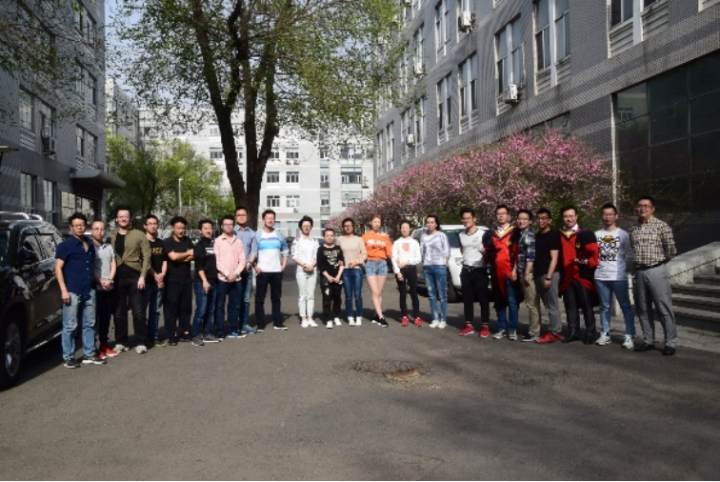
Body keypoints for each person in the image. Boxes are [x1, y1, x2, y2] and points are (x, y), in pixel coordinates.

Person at [55, 213, 105, 368]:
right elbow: (58, 269)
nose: (80, 228)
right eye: (76, 225)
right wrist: (63, 290)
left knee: (89, 324)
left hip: (89, 289)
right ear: (71, 228)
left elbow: (91, 268)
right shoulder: (65, 246)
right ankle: (69, 357)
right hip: (72, 290)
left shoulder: (89, 244)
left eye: (82, 225)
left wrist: (100, 281)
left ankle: (89, 353)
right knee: (70, 326)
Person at [630, 195, 678, 356]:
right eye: (639, 205)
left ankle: (670, 342)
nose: (642, 208)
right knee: (642, 308)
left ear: (653, 208)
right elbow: (632, 248)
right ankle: (648, 340)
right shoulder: (633, 228)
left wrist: (659, 263)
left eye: (646, 206)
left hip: (656, 270)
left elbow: (670, 250)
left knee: (663, 308)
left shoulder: (661, 226)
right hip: (639, 271)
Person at [109, 205, 151, 354]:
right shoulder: (111, 235)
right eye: (120, 216)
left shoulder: (139, 235)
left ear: (130, 218)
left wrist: (142, 277)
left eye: (126, 216)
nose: (123, 218)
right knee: (119, 312)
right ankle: (121, 341)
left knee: (138, 311)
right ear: (116, 219)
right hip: (117, 278)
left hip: (135, 277)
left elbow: (147, 257)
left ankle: (141, 341)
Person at [595, 203, 636, 349]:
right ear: (602, 216)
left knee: (625, 306)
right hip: (600, 276)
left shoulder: (623, 234)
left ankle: (629, 335)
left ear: (616, 216)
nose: (608, 217)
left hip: (619, 276)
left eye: (610, 214)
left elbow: (629, 255)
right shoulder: (597, 235)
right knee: (604, 306)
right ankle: (605, 333)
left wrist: (625, 270)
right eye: (605, 214)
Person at [558, 206, 599, 345]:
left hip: (582, 275)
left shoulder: (586, 233)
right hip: (566, 276)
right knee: (570, 306)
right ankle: (573, 332)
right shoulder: (559, 235)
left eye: (571, 216)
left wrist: (584, 262)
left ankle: (590, 333)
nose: (569, 219)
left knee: (587, 306)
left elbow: (594, 254)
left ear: (576, 216)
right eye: (566, 216)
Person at [484, 205, 522, 341]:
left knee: (512, 301)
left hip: (510, 271)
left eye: (503, 213)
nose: (501, 216)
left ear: (508, 215)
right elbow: (488, 252)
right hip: (496, 271)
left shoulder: (515, 232)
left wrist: (515, 269)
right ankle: (501, 328)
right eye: (498, 214)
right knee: (499, 301)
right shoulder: (490, 233)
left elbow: (518, 253)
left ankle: (512, 329)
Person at [254, 209, 289, 331]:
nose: (270, 220)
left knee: (276, 298)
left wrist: (283, 265)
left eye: (272, 218)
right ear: (263, 219)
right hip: (262, 271)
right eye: (268, 218)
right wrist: (255, 266)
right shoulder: (257, 235)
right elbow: (252, 252)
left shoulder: (279, 235)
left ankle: (277, 322)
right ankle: (260, 323)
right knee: (260, 298)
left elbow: (285, 250)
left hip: (276, 271)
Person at [457, 208, 490, 337]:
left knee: (483, 298)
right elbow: (462, 250)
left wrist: (485, 253)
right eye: (464, 219)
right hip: (466, 269)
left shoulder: (483, 233)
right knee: (467, 299)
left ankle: (485, 325)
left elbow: (489, 252)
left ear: (474, 219)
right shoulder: (461, 235)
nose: (466, 221)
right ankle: (469, 324)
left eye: (468, 218)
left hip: (479, 269)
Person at [533, 208, 564, 344]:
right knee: (548, 304)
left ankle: (554, 332)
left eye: (544, 218)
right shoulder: (537, 236)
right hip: (539, 273)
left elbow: (554, 258)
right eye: (539, 218)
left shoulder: (553, 235)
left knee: (552, 304)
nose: (541, 221)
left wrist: (548, 277)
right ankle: (556, 329)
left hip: (549, 274)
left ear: (549, 220)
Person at [163, 216, 194, 345]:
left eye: (182, 228)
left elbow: (193, 255)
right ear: (173, 228)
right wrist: (186, 254)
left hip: (186, 279)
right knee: (171, 308)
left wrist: (180, 257)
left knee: (186, 307)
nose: (181, 231)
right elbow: (173, 257)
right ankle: (172, 333)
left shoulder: (188, 240)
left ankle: (184, 331)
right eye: (178, 228)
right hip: (172, 280)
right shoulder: (168, 242)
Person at [215, 215, 246, 339]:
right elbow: (217, 261)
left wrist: (236, 273)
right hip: (222, 278)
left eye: (230, 224)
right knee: (220, 306)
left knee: (235, 305)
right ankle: (220, 330)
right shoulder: (218, 241)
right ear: (222, 226)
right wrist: (228, 274)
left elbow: (242, 260)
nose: (228, 226)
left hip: (236, 279)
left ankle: (233, 329)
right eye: (226, 224)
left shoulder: (238, 241)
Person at [191, 219, 219, 346]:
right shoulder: (199, 246)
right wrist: (204, 281)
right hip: (202, 282)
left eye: (210, 228)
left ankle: (207, 333)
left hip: (214, 281)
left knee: (210, 309)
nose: (208, 230)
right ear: (200, 230)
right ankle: (195, 335)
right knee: (201, 310)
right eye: (205, 228)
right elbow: (199, 265)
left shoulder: (213, 244)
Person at [92, 220, 117, 358]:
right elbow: (90, 267)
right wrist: (101, 281)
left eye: (102, 229)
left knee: (106, 318)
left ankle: (104, 344)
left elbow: (113, 264)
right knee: (93, 320)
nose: (99, 232)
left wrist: (110, 280)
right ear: (92, 230)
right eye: (96, 229)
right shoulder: (89, 247)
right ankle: (92, 348)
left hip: (108, 287)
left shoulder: (109, 247)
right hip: (96, 288)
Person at [516, 209, 542, 342]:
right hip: (522, 272)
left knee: (532, 304)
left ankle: (534, 332)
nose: (521, 221)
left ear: (530, 221)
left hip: (528, 274)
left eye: (524, 219)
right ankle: (533, 329)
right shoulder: (521, 234)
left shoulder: (529, 235)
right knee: (530, 303)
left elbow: (531, 255)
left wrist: (527, 273)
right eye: (519, 218)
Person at [362, 214, 393, 327]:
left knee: (379, 292)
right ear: (371, 223)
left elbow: (390, 252)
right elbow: (361, 251)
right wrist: (361, 261)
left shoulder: (384, 237)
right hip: (370, 263)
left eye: (378, 222)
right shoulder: (365, 236)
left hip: (382, 264)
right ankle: (381, 317)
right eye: (374, 221)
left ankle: (376, 315)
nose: (377, 224)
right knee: (375, 292)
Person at [421, 215, 450, 329]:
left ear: (436, 224)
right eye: (428, 222)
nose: (430, 224)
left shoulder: (441, 235)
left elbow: (447, 251)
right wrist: (424, 262)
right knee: (431, 294)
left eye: (432, 222)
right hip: (427, 267)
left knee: (442, 294)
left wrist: (444, 264)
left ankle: (443, 319)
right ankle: (435, 318)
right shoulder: (423, 236)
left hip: (439, 266)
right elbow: (422, 250)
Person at [391, 220, 422, 327]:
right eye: (402, 227)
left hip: (411, 268)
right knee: (403, 294)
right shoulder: (397, 243)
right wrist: (397, 272)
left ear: (410, 229)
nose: (404, 229)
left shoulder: (414, 242)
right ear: (400, 229)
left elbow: (418, 258)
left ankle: (417, 316)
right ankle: (404, 316)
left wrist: (407, 262)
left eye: (406, 227)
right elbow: (394, 258)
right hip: (400, 270)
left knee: (414, 293)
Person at [337, 217, 367, 326]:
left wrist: (356, 262)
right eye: (345, 226)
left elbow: (364, 254)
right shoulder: (340, 239)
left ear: (353, 227)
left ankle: (358, 316)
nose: (347, 227)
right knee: (348, 295)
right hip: (345, 271)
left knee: (358, 295)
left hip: (357, 269)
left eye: (349, 226)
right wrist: (339, 262)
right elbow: (337, 255)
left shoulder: (358, 239)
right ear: (343, 227)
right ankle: (350, 316)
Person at [233, 206, 258, 334]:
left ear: (247, 217)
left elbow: (254, 251)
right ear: (235, 217)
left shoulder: (252, 233)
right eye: (239, 215)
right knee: (235, 299)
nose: (241, 217)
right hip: (234, 271)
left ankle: (244, 324)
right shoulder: (232, 231)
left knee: (246, 299)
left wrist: (249, 263)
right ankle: (233, 325)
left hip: (247, 270)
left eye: (243, 215)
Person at [292, 216, 319, 327]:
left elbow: (318, 255)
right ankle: (303, 318)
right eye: (304, 226)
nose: (306, 227)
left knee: (311, 295)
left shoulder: (315, 241)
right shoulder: (297, 240)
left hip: (313, 270)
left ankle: (310, 317)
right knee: (303, 295)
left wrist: (312, 265)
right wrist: (304, 265)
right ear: (301, 227)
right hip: (301, 270)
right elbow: (294, 256)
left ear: (311, 227)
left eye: (308, 225)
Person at [144, 214, 167, 347]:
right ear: (145, 226)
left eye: (155, 223)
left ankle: (154, 336)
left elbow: (165, 260)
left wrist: (162, 275)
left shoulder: (161, 243)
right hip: (146, 281)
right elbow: (145, 262)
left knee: (156, 311)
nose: (153, 226)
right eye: (150, 223)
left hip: (159, 282)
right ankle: (143, 337)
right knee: (142, 311)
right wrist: (155, 275)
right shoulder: (142, 242)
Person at [318, 228, 345, 329]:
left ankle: (336, 316)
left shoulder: (338, 248)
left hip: (337, 278)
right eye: (327, 235)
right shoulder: (321, 249)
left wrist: (338, 276)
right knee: (327, 299)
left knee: (337, 298)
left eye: (331, 235)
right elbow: (320, 265)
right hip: (326, 278)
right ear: (324, 237)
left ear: (334, 237)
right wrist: (328, 277)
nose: (329, 237)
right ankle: (328, 319)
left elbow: (342, 263)